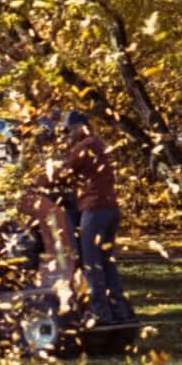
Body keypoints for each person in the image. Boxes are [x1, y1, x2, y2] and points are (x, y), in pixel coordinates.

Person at [59, 111, 127, 322]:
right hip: (109, 209)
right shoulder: (99, 144)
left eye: (69, 130)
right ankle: (120, 311)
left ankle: (100, 313)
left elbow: (61, 172)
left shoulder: (85, 145)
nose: (68, 134)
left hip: (95, 209)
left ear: (81, 126)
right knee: (106, 261)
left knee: (91, 262)